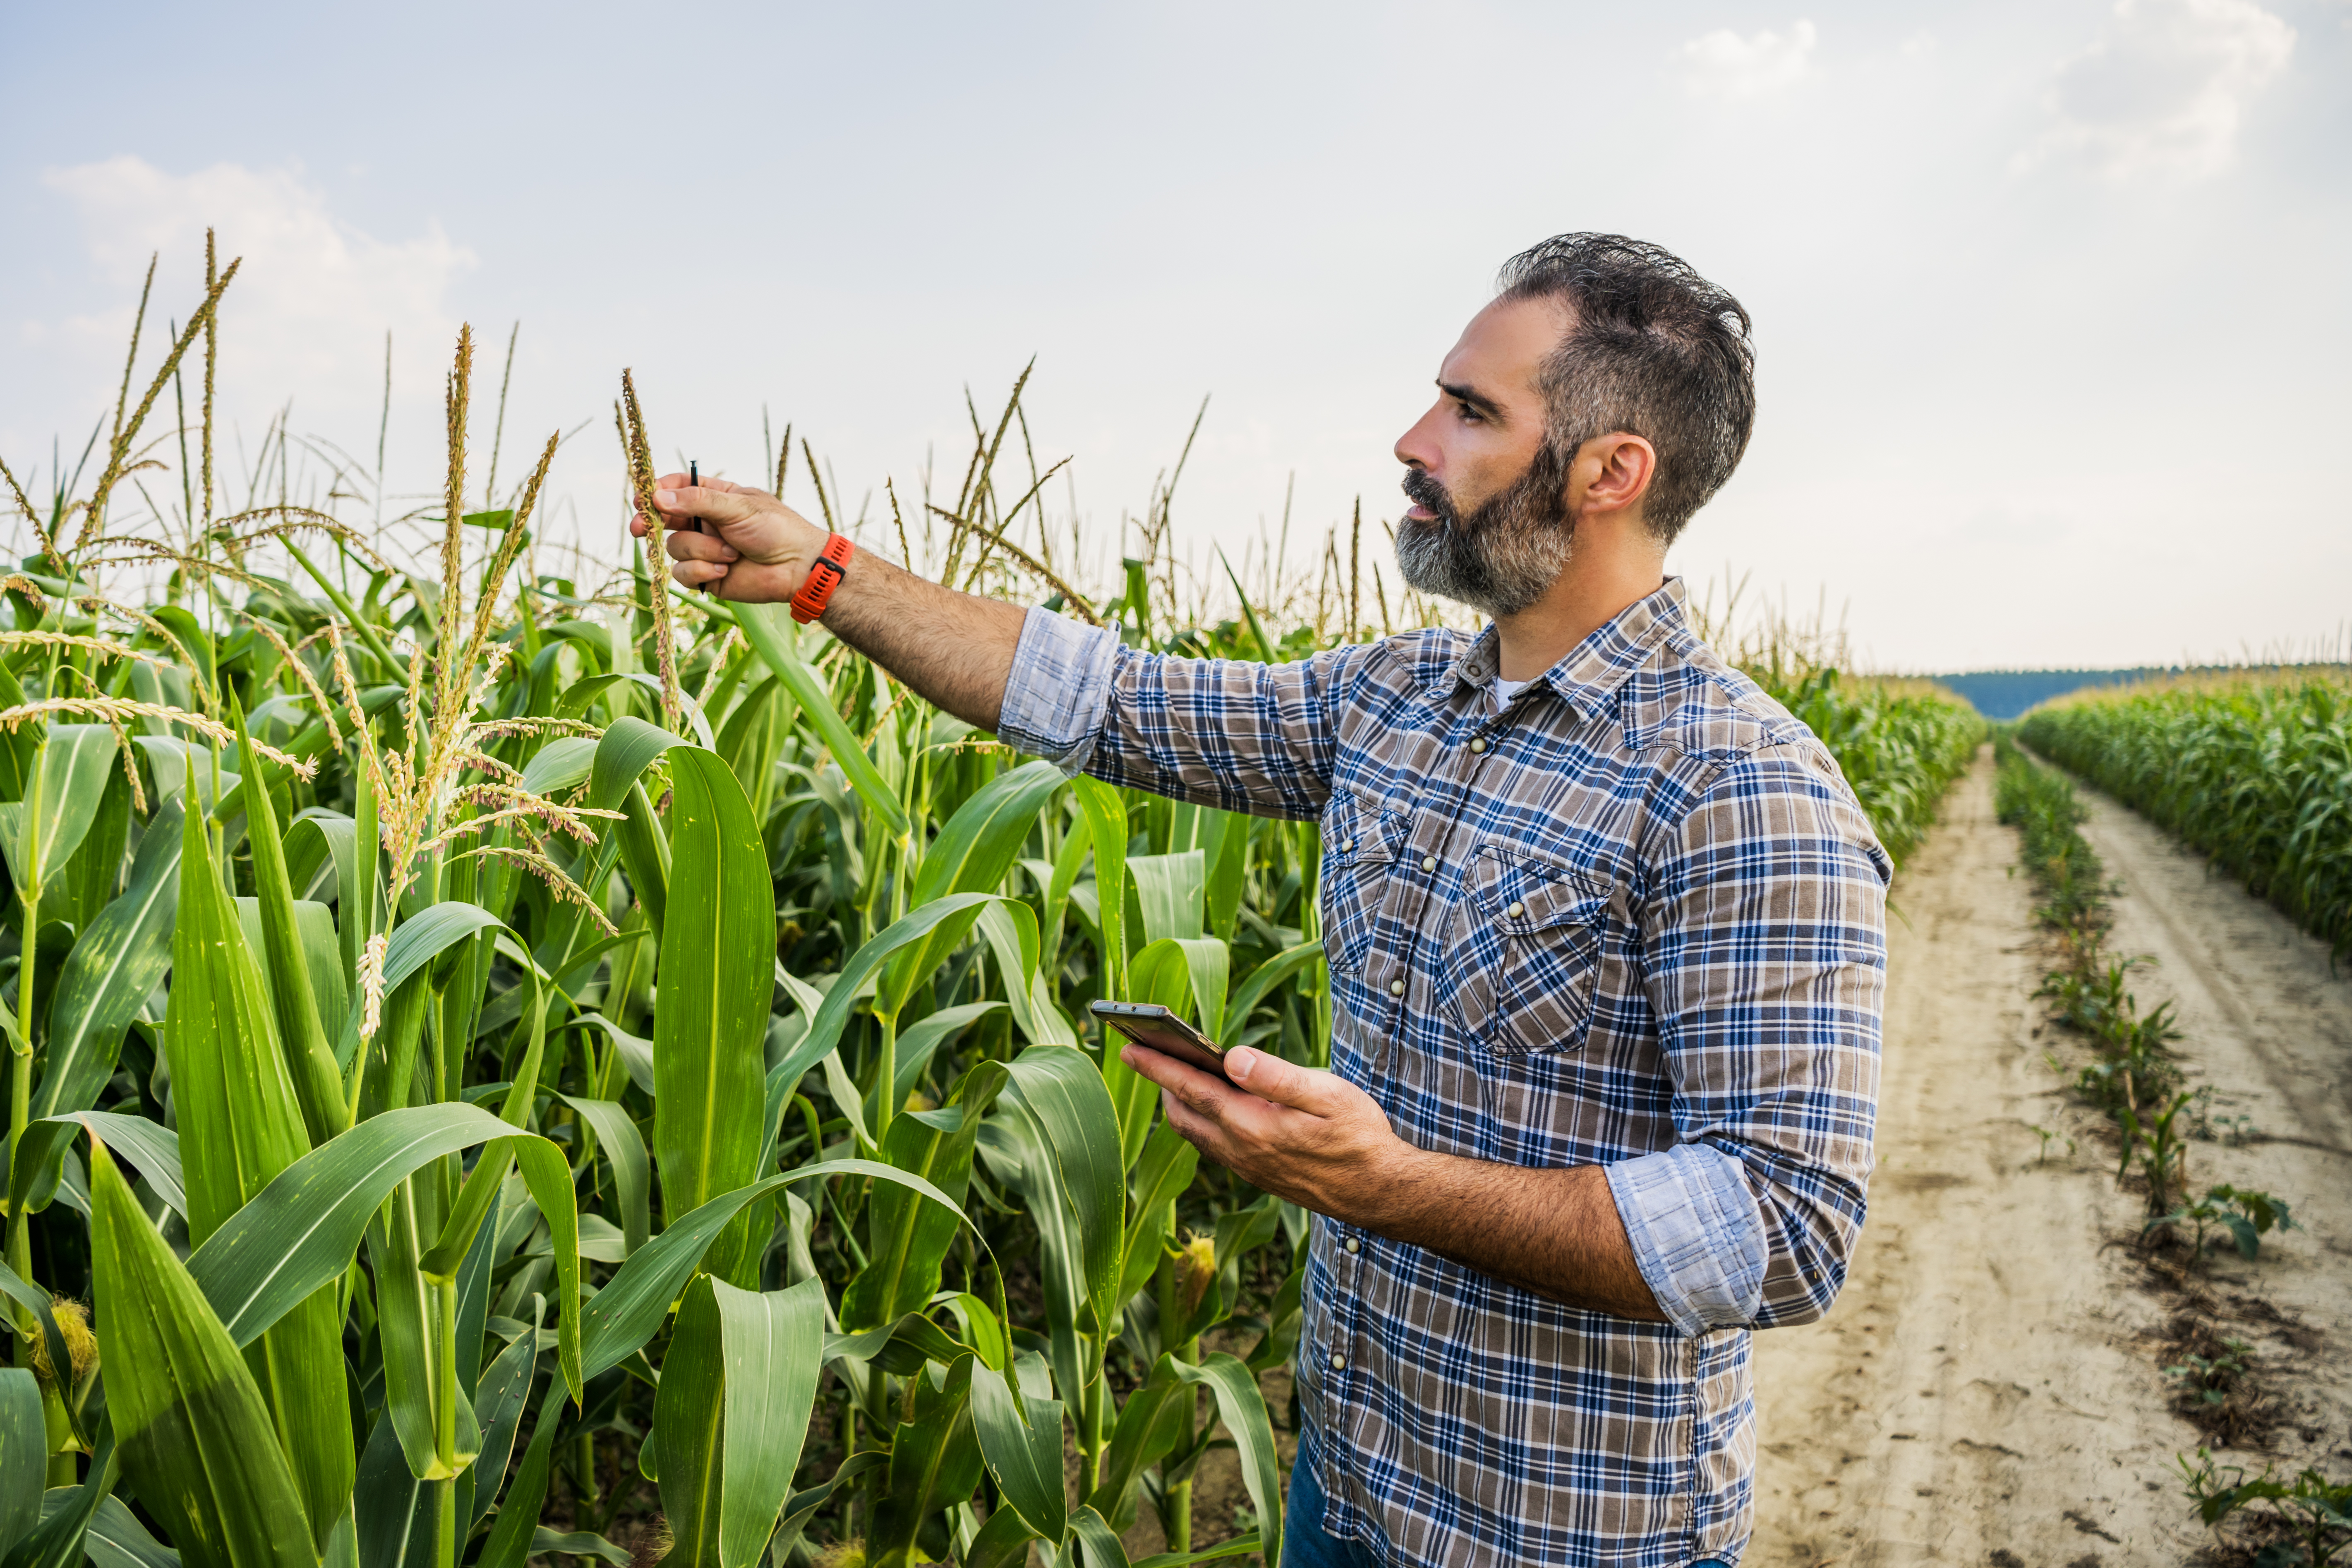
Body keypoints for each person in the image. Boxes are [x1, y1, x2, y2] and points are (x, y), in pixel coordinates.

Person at [633, 232, 1887, 1568]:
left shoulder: (1741, 790)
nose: (1415, 438)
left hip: (1563, 1533)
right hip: (1344, 1486)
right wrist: (822, 572)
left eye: (1472, 411)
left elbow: (1782, 1227)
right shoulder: (1393, 703)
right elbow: (1106, 698)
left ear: (1609, 471)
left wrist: (1385, 1186)